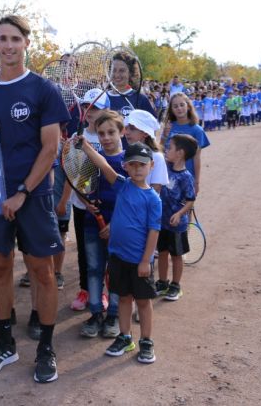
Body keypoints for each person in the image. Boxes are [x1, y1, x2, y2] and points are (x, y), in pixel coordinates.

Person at [0, 15, 70, 383]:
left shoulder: (43, 89)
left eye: (15, 38)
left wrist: (22, 192)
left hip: (34, 195)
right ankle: (5, 342)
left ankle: (46, 348)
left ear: (27, 43)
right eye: (2, 39)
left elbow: (50, 149)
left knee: (42, 272)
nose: (8, 45)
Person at [103, 142, 161, 364]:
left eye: (142, 165)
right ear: (125, 166)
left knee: (144, 302)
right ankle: (125, 337)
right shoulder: (123, 185)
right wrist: (87, 149)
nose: (138, 169)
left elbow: (154, 230)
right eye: (133, 165)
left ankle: (146, 341)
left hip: (139, 261)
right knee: (124, 299)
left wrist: (146, 261)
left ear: (151, 166)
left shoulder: (153, 199)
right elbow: (106, 168)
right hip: (118, 257)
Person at [55, 88, 108, 312]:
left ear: (106, 110)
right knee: (85, 252)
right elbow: (73, 172)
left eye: (95, 107)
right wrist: (79, 199)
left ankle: (104, 292)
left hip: (106, 204)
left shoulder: (111, 135)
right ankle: (86, 290)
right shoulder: (78, 138)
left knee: (106, 252)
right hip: (81, 205)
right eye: (87, 107)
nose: (90, 111)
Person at [77, 110, 127, 339]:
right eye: (101, 133)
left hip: (118, 228)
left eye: (111, 132)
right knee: (94, 270)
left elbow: (128, 200)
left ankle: (113, 315)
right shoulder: (90, 159)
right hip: (92, 225)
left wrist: (114, 226)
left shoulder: (128, 162)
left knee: (115, 272)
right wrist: (86, 203)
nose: (106, 137)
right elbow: (83, 187)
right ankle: (96, 312)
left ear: (122, 132)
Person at [156, 135, 197, 301]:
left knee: (176, 255)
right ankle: (162, 282)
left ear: (180, 153)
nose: (166, 150)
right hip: (162, 222)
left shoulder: (186, 176)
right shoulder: (164, 167)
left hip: (177, 224)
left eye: (170, 148)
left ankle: (175, 285)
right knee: (163, 252)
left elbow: (190, 200)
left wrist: (179, 214)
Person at [161, 93, 209, 195]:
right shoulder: (169, 127)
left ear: (188, 106)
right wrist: (164, 135)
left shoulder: (197, 130)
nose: (179, 108)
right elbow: (160, 149)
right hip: (167, 175)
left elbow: (197, 158)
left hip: (186, 176)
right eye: (175, 106)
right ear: (172, 110)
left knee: (185, 206)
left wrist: (196, 182)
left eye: (182, 105)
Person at [123, 110, 168, 193]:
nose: (127, 132)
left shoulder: (157, 157)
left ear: (145, 133)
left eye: (132, 129)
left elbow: (156, 188)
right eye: (126, 128)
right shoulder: (126, 152)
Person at [106, 49, 156, 124]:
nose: (116, 74)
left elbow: (153, 126)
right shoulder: (102, 98)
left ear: (130, 73)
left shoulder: (141, 99)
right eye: (114, 70)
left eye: (122, 70)